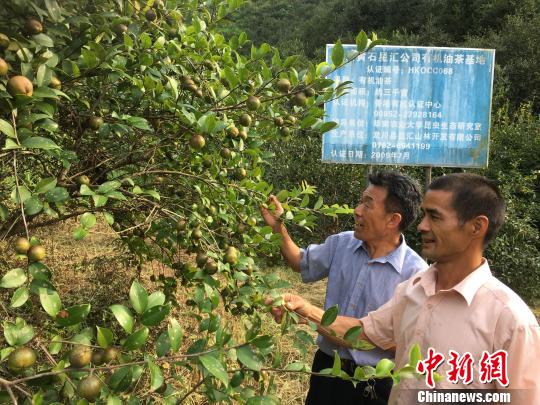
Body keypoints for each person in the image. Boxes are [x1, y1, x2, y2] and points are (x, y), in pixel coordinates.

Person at [270, 173, 540, 405]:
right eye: (424, 215)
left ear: (476, 227)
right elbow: (363, 334)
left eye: (434, 217)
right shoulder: (414, 290)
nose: (422, 226)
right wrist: (303, 308)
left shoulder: (510, 321)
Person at [260, 171, 428, 404]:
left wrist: (310, 313)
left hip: (373, 384)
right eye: (361, 201)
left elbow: (403, 345)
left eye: (368, 205)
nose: (357, 210)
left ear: (393, 220)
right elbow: (300, 261)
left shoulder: (416, 274)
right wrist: (279, 228)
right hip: (326, 370)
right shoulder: (343, 243)